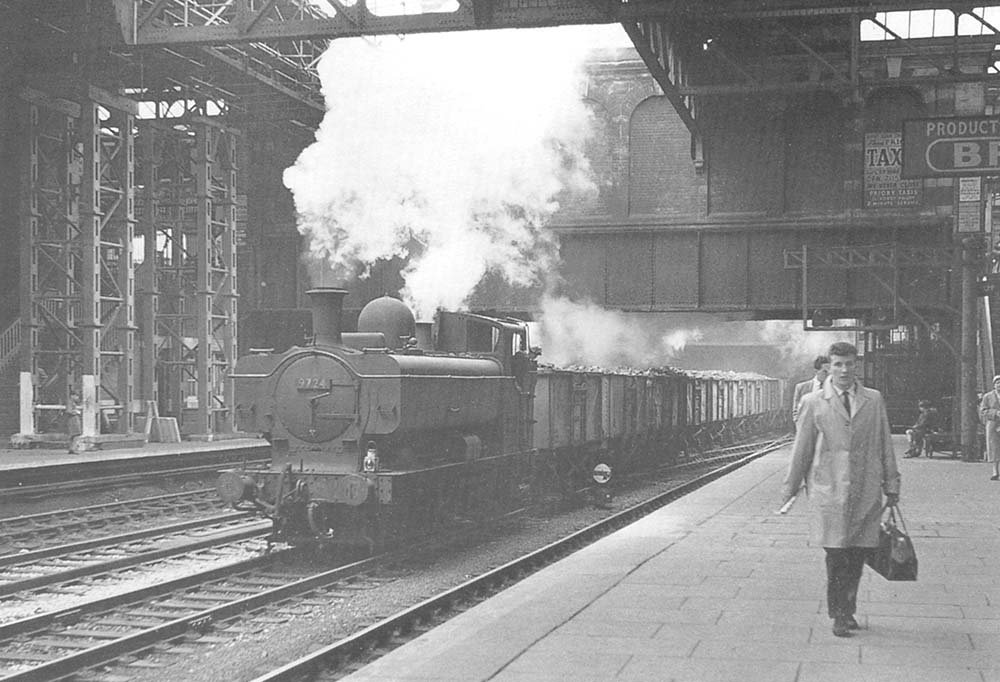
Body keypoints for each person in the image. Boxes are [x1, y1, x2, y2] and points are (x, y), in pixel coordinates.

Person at [780, 341, 900, 638]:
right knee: (836, 555)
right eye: (838, 364)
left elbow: (884, 443)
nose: (844, 370)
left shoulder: (873, 400)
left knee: (858, 555)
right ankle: (839, 614)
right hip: (828, 490)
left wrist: (892, 484)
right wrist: (790, 489)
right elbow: (802, 449)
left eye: (849, 364)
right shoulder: (813, 402)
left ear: (855, 365)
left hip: (865, 489)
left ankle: (848, 609)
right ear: (828, 367)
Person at [791, 355, 830, 423]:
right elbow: (796, 412)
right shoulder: (801, 388)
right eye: (825, 372)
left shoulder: (834, 389)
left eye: (830, 372)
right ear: (816, 371)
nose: (828, 375)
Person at [977, 375, 1000, 480]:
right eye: (997, 383)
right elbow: (983, 410)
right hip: (993, 424)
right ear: (994, 385)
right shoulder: (988, 396)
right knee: (994, 447)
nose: (999, 385)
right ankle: (995, 471)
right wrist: (995, 413)